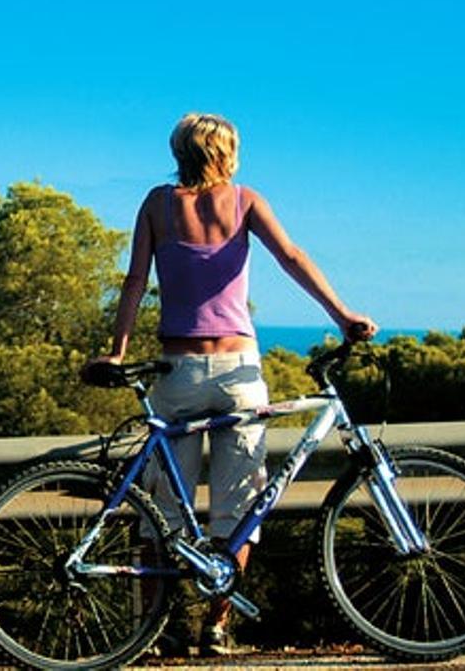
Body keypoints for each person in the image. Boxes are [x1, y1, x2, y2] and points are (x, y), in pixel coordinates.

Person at [93, 113, 378, 656]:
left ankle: (158, 626)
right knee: (239, 506)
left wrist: (120, 351)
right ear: (227, 152)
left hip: (177, 370)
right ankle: (217, 627)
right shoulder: (247, 200)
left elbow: (135, 280)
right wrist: (342, 315)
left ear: (180, 151)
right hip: (239, 372)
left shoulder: (156, 203)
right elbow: (291, 258)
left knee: (161, 508)